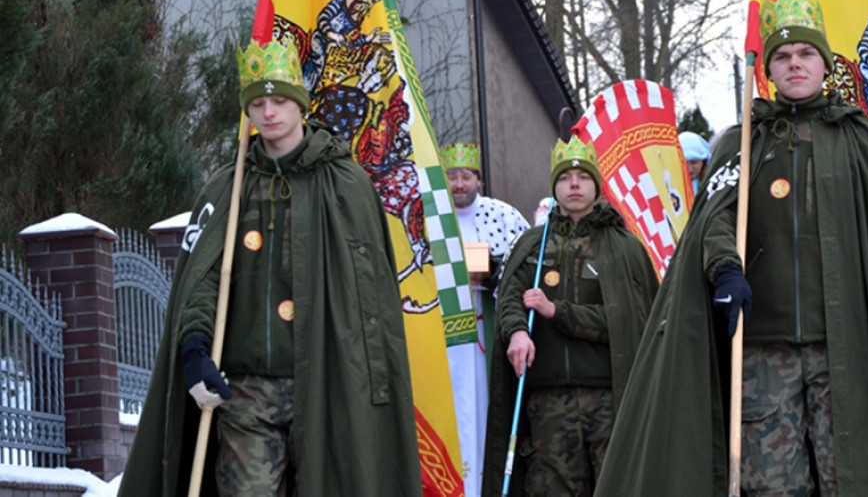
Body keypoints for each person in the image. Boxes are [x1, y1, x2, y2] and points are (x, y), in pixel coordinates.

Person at [593, 0, 868, 496]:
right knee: (773, 487)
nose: (794, 63)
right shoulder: (744, 140)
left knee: (849, 480)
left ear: (824, 64)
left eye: (805, 54)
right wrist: (725, 269)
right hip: (761, 351)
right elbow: (714, 219)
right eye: (782, 56)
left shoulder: (860, 138)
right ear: (768, 71)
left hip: (844, 350)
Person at [118, 38, 422, 496]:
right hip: (246, 391)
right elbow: (201, 282)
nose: (269, 112)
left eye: (279, 100)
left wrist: (370, 383)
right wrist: (195, 350)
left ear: (299, 103)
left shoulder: (345, 184)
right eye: (257, 103)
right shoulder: (228, 187)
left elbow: (370, 301)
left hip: (327, 386)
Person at [482, 135, 659, 497]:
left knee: (618, 486)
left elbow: (627, 320)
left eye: (582, 177)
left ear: (596, 185)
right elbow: (511, 298)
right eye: (564, 178)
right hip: (548, 403)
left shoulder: (624, 247)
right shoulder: (533, 244)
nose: (573, 184)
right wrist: (516, 331)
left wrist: (558, 312)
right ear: (554, 187)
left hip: (609, 398)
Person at [441, 141, 530, 496]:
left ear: (478, 179)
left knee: (484, 404)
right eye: (451, 176)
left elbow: (526, 264)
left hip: (486, 326)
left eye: (465, 176)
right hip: (444, 330)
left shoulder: (502, 215)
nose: (459, 184)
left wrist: (491, 273)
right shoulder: (428, 216)